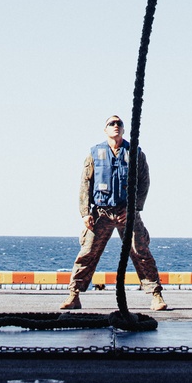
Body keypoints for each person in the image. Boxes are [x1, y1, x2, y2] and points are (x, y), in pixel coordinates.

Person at [59, 115, 167, 312]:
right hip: (101, 213)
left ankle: (156, 295)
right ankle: (73, 294)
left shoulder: (135, 153)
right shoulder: (94, 153)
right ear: (105, 129)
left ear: (124, 130)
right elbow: (85, 184)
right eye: (111, 124)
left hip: (128, 213)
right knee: (87, 252)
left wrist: (134, 209)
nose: (116, 126)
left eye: (119, 124)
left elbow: (144, 181)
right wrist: (85, 213)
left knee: (141, 251)